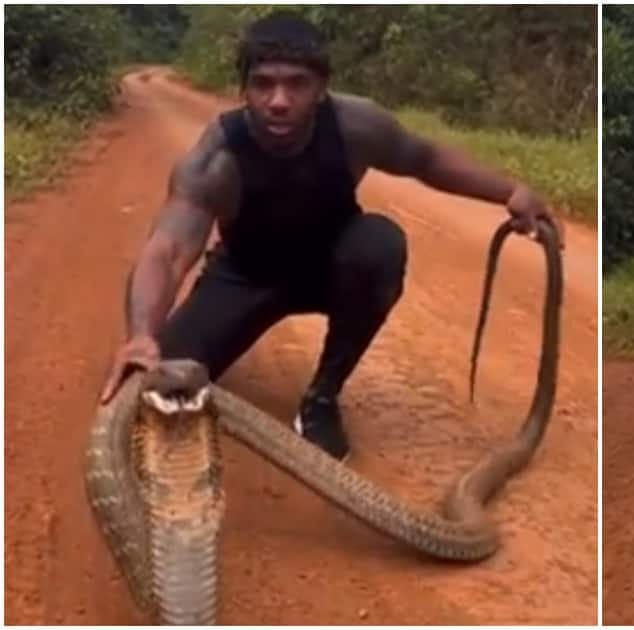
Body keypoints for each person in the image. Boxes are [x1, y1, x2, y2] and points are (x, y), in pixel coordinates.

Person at [98, 12, 557, 462]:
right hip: (246, 275)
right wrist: (141, 334)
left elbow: (425, 159)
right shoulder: (215, 159)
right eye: (263, 84)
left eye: (296, 84)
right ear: (244, 89)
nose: (278, 100)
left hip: (330, 266)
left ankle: (321, 398)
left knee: (379, 245)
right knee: (164, 380)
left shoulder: (357, 126)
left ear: (320, 89)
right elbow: (168, 249)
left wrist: (511, 190)